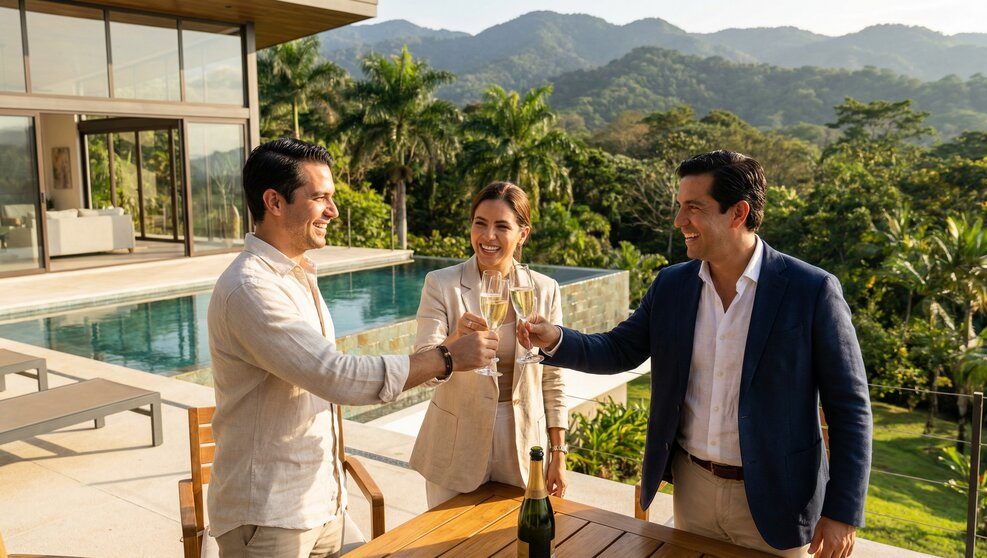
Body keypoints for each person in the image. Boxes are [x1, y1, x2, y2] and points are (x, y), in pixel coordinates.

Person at [519, 151, 872, 558]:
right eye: (679, 206)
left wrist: (843, 510)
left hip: (779, 498)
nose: (679, 221)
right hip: (693, 490)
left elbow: (850, 407)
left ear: (738, 212)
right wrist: (554, 339)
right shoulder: (672, 285)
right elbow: (619, 348)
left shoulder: (812, 290)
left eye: (693, 208)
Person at [206, 138, 498, 558]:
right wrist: (445, 358)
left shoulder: (297, 275)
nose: (333, 210)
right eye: (320, 197)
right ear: (274, 201)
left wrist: (444, 352)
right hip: (269, 516)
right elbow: (337, 377)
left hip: (324, 504)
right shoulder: (251, 289)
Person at [408, 181, 569, 508]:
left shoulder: (544, 289)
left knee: (516, 542)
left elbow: (553, 377)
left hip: (523, 442)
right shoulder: (442, 285)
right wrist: (453, 345)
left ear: (522, 234)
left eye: (501, 226)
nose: (488, 236)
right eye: (480, 223)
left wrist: (559, 453)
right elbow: (423, 365)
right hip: (455, 445)